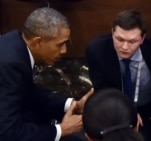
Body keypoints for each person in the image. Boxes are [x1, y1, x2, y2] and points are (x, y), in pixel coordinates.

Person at [0, 7, 94, 141]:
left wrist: (73, 104)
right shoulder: (10, 65)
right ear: (38, 42)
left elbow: (29, 92)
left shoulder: (16, 42)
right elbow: (8, 133)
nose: (64, 51)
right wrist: (61, 130)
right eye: (60, 45)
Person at [86, 9, 151, 141]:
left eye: (132, 42)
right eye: (119, 39)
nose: (125, 47)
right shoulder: (97, 50)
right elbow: (102, 89)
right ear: (112, 32)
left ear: (142, 38)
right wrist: (126, 111)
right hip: (116, 113)